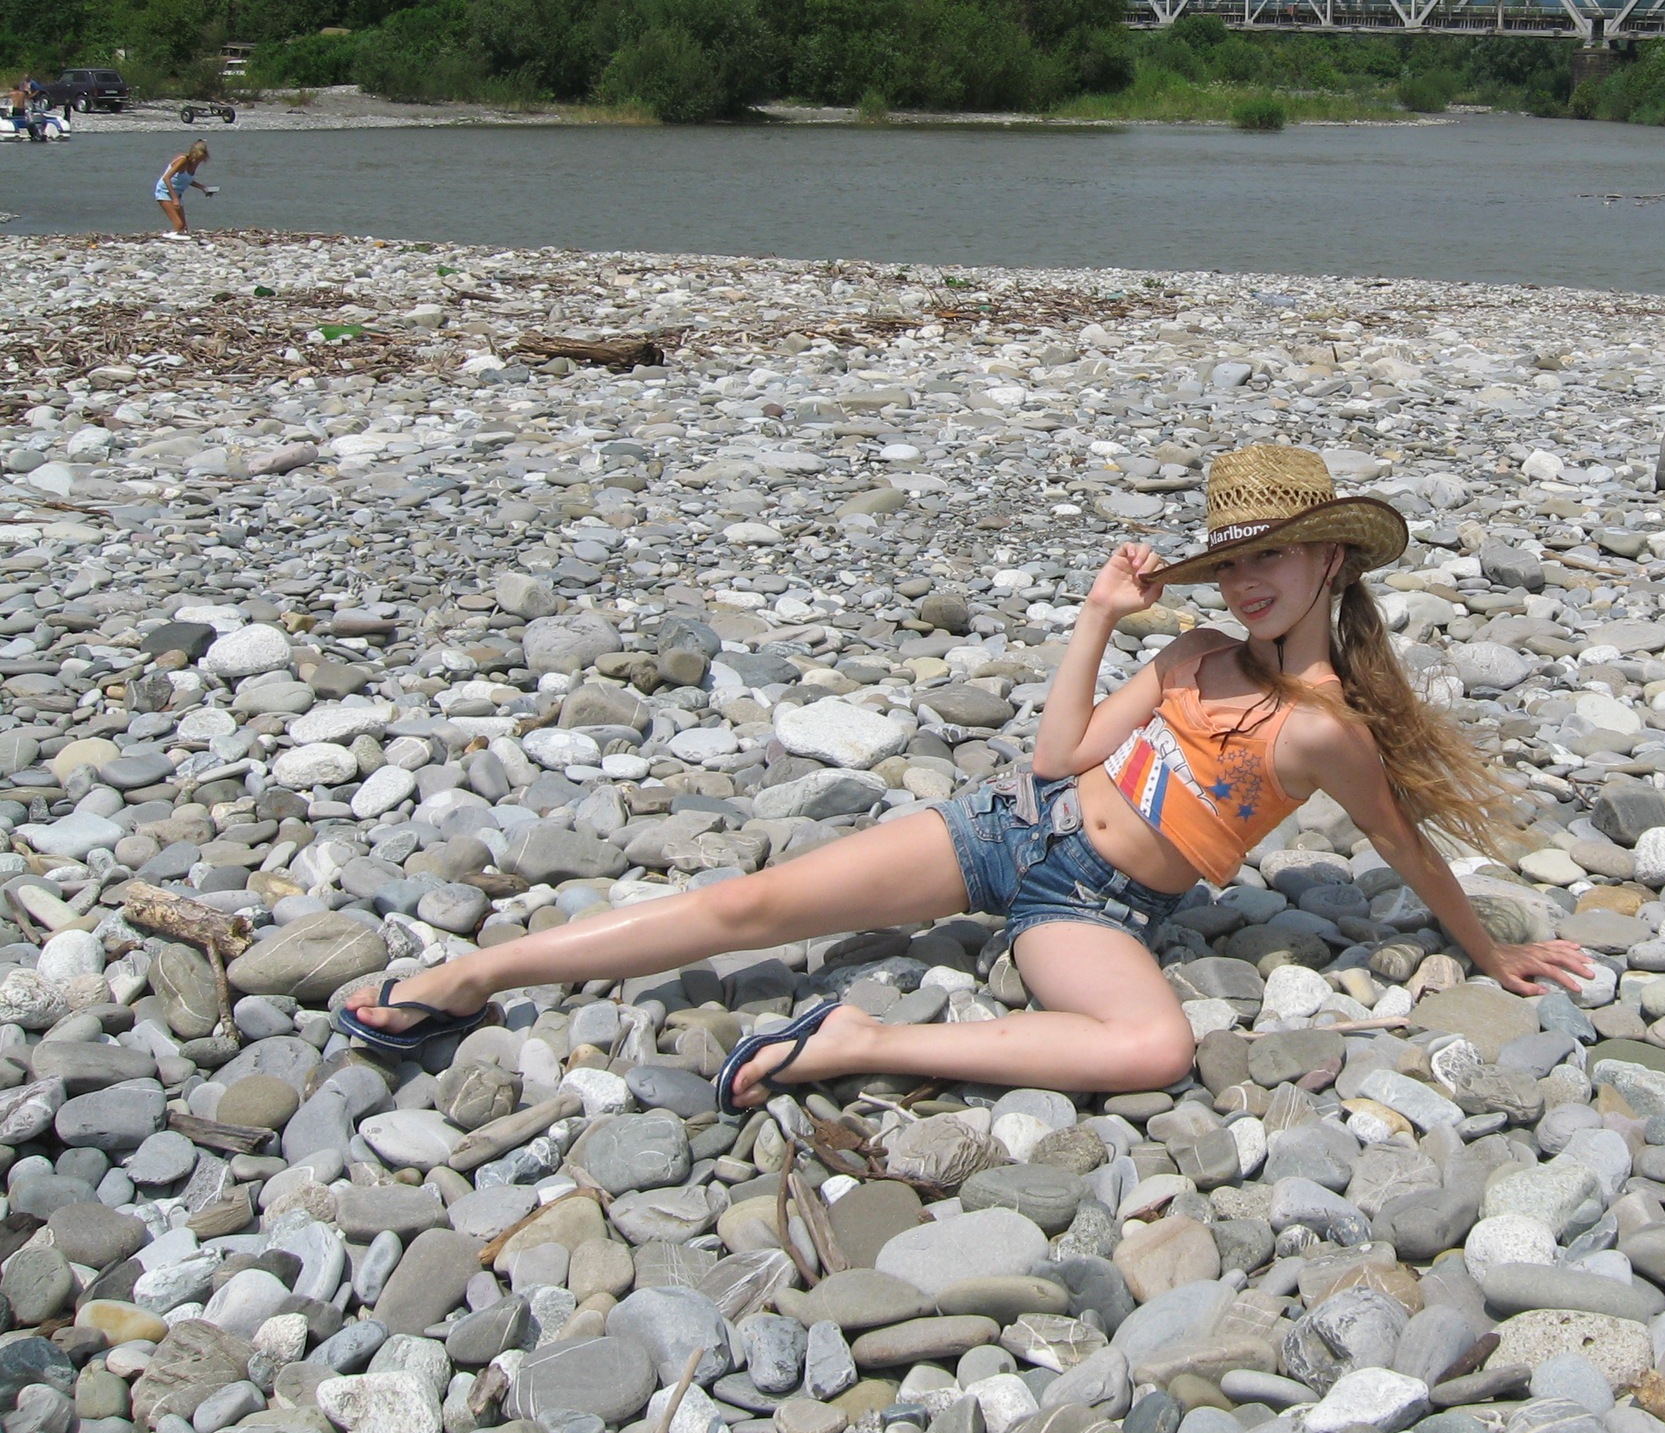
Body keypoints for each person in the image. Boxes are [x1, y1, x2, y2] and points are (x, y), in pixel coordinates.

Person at [335, 445, 1596, 1105]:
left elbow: (1400, 842)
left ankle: (859, 1040)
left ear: (1332, 561)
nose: (1245, 583)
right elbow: (1057, 758)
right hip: (1010, 827)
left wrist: (1488, 952)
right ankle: (470, 976)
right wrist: (1098, 617)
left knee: (1152, 1045)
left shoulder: (1325, 730)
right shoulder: (1194, 655)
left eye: (1271, 557)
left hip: (1094, 908)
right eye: (1230, 564)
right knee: (746, 906)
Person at [154, 140, 213, 230]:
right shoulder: (183, 160)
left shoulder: (195, 163)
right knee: (179, 225)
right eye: (198, 158)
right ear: (193, 154)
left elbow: (187, 179)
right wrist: (174, 198)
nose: (198, 161)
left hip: (177, 194)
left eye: (201, 159)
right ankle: (169, 237)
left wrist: (202, 187)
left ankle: (175, 236)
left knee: (184, 228)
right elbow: (166, 178)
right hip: (165, 191)